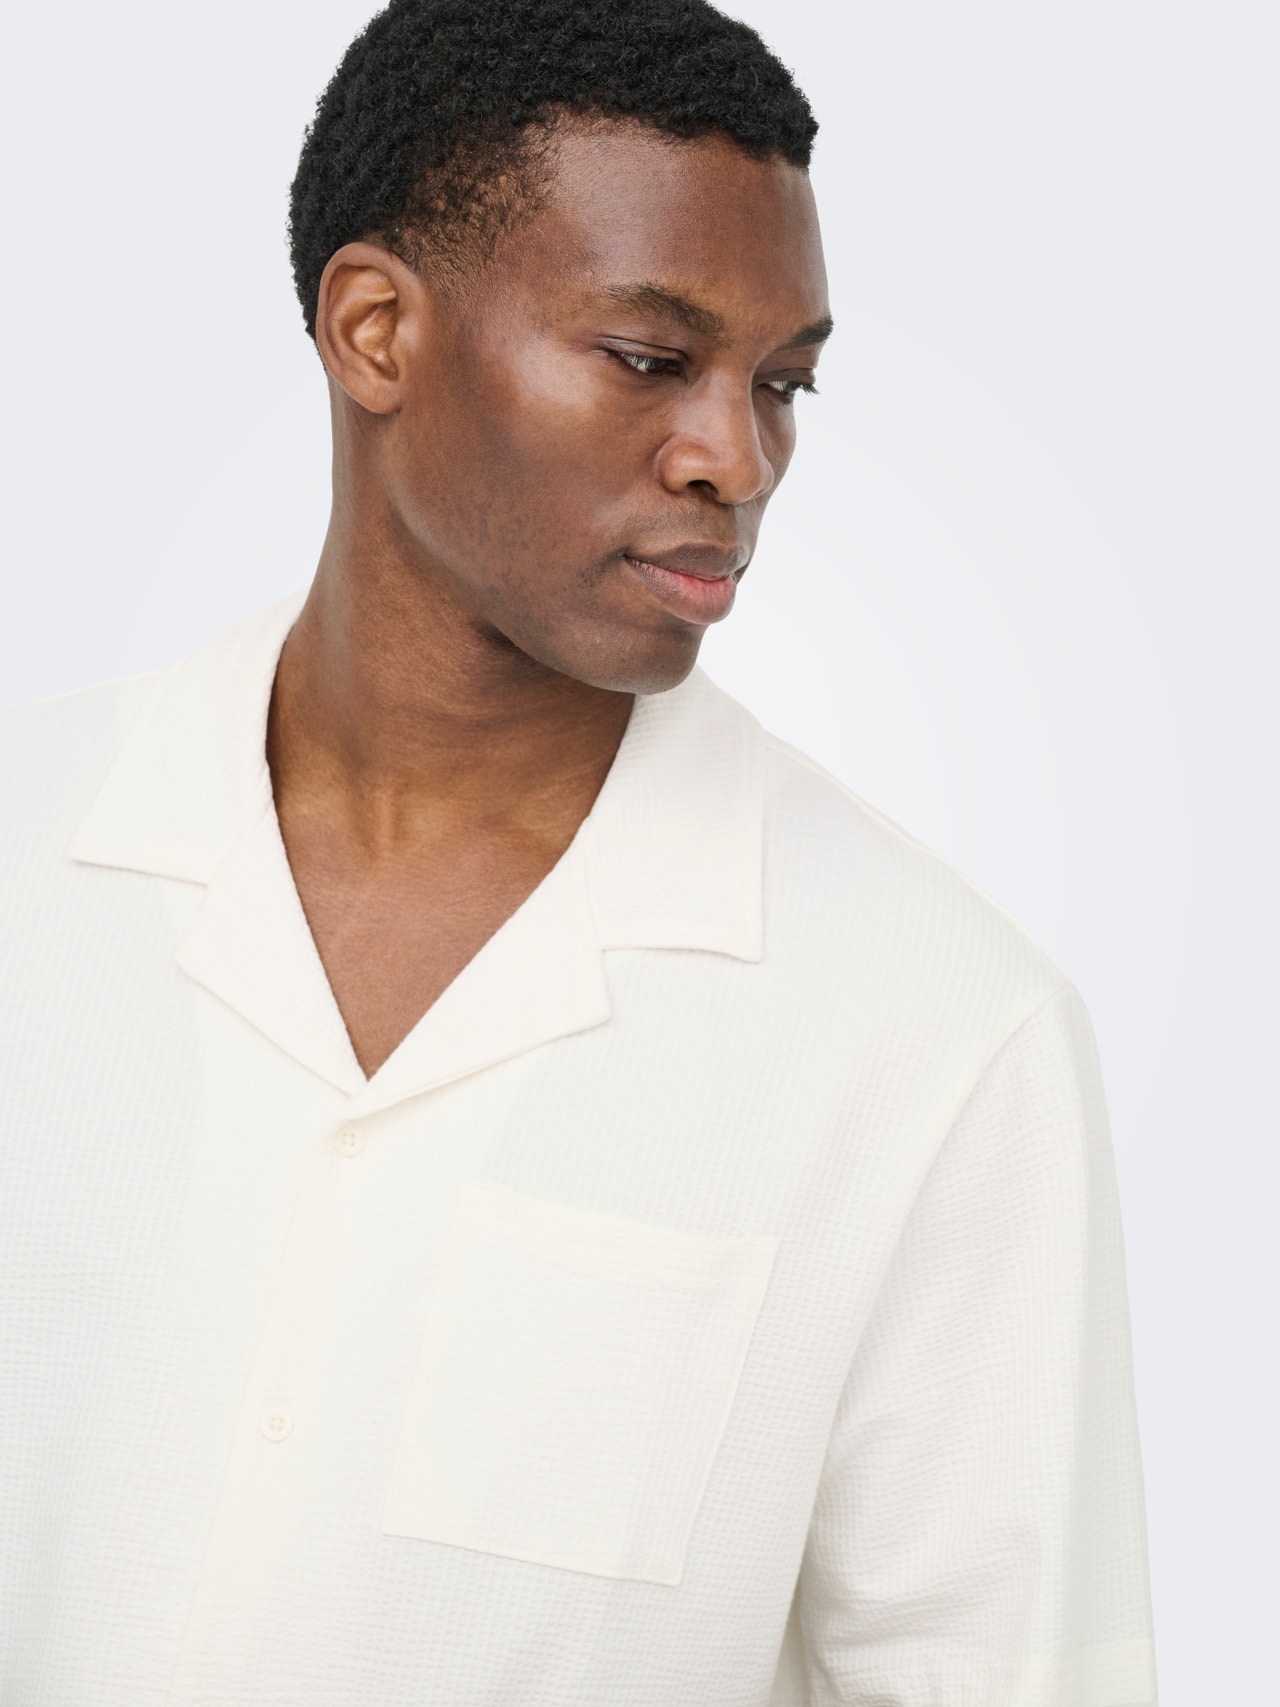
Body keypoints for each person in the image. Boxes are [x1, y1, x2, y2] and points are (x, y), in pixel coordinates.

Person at [0, 1, 1158, 1702]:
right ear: (377, 331)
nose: (736, 459)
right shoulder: (28, 853)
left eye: (783, 383)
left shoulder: (941, 1038)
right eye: (648, 358)